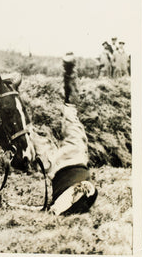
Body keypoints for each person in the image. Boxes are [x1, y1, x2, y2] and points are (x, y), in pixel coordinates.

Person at [30, 53, 98, 215]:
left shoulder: (70, 199)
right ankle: (69, 72)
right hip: (71, 160)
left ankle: (69, 72)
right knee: (70, 114)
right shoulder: (84, 191)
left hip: (57, 165)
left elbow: (53, 209)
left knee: (31, 134)